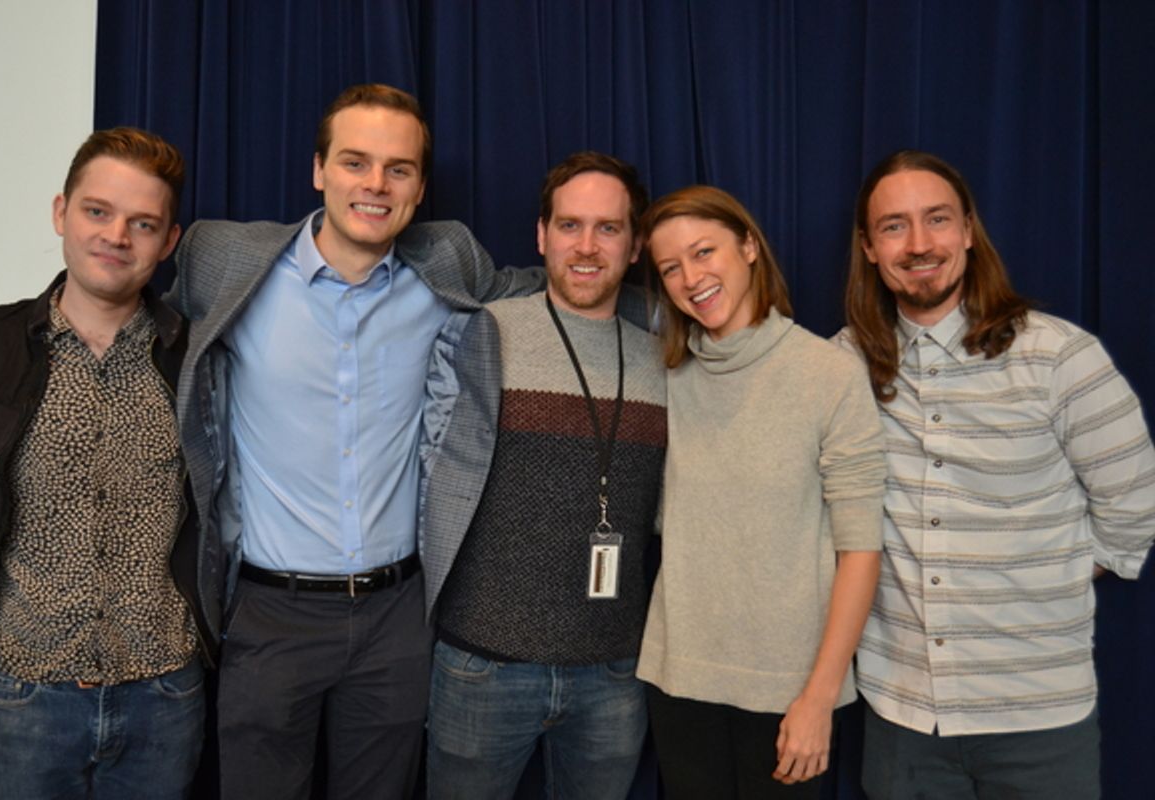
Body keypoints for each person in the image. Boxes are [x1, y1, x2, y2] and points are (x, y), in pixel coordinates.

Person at [168, 83, 542, 799]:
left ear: (419, 187)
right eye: (354, 162)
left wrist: (683, 314)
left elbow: (550, 291)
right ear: (318, 171)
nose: (375, 185)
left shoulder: (447, 263)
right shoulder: (221, 259)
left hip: (395, 616)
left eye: (398, 169)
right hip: (268, 613)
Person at [837, 150, 1155, 799]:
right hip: (902, 719)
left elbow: (1134, 508)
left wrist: (1034, 580)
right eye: (894, 227)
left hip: (1039, 720)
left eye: (937, 220)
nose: (919, 244)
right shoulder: (842, 365)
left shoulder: (1061, 357)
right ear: (869, 248)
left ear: (969, 230)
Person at [0, 128, 206, 799]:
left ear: (169, 241)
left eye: (142, 223)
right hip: (25, 693)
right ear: (62, 212)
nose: (117, 236)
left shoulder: (197, 363)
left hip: (164, 692)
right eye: (98, 212)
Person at [420, 151, 667, 800]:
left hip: (613, 669)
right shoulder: (484, 333)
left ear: (636, 243)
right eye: (569, 226)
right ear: (541, 235)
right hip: (482, 664)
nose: (586, 247)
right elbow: (429, 476)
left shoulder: (667, 357)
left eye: (608, 228)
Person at [637, 185, 886, 799]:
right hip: (680, 679)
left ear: (749, 246)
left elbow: (861, 550)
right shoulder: (665, 376)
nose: (691, 278)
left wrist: (819, 697)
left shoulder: (827, 373)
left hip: (789, 690)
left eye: (704, 252)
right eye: (671, 268)